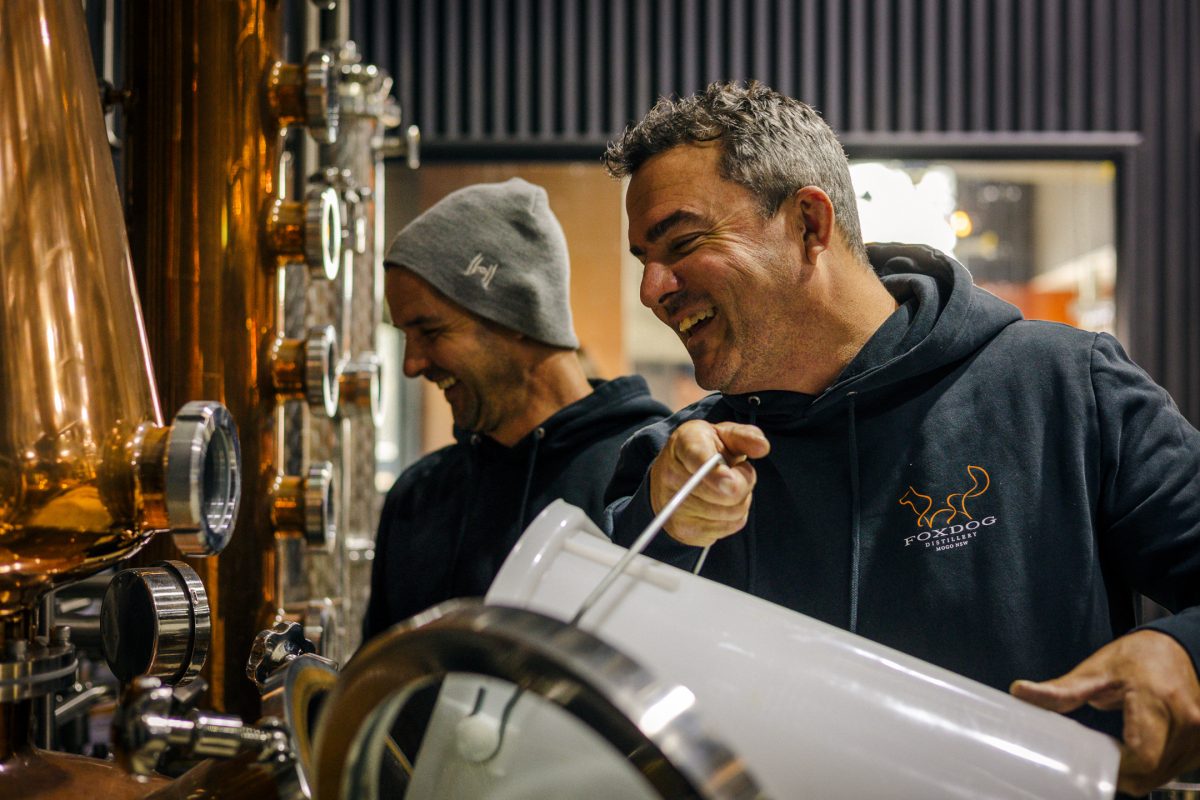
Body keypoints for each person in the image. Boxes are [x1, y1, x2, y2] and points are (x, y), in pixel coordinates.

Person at [601, 81, 1200, 796]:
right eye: (643, 258)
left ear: (808, 225)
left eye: (683, 242)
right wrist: (660, 528)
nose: (651, 289)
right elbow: (583, 674)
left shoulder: (1065, 387)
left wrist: (1183, 654)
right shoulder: (683, 467)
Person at [364, 178, 670, 641]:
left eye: (429, 331)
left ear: (521, 313)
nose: (412, 364)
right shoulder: (418, 498)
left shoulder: (651, 474)